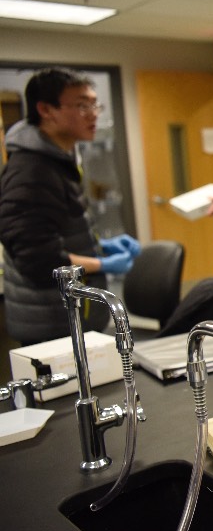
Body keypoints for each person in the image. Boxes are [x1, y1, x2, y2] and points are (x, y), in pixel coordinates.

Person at [0, 67, 141, 345]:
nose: (93, 113)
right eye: (81, 105)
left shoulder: (57, 159)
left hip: (70, 316)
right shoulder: (32, 171)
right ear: (46, 109)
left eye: (94, 104)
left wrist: (100, 246)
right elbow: (38, 258)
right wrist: (102, 263)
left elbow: (59, 230)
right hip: (52, 324)